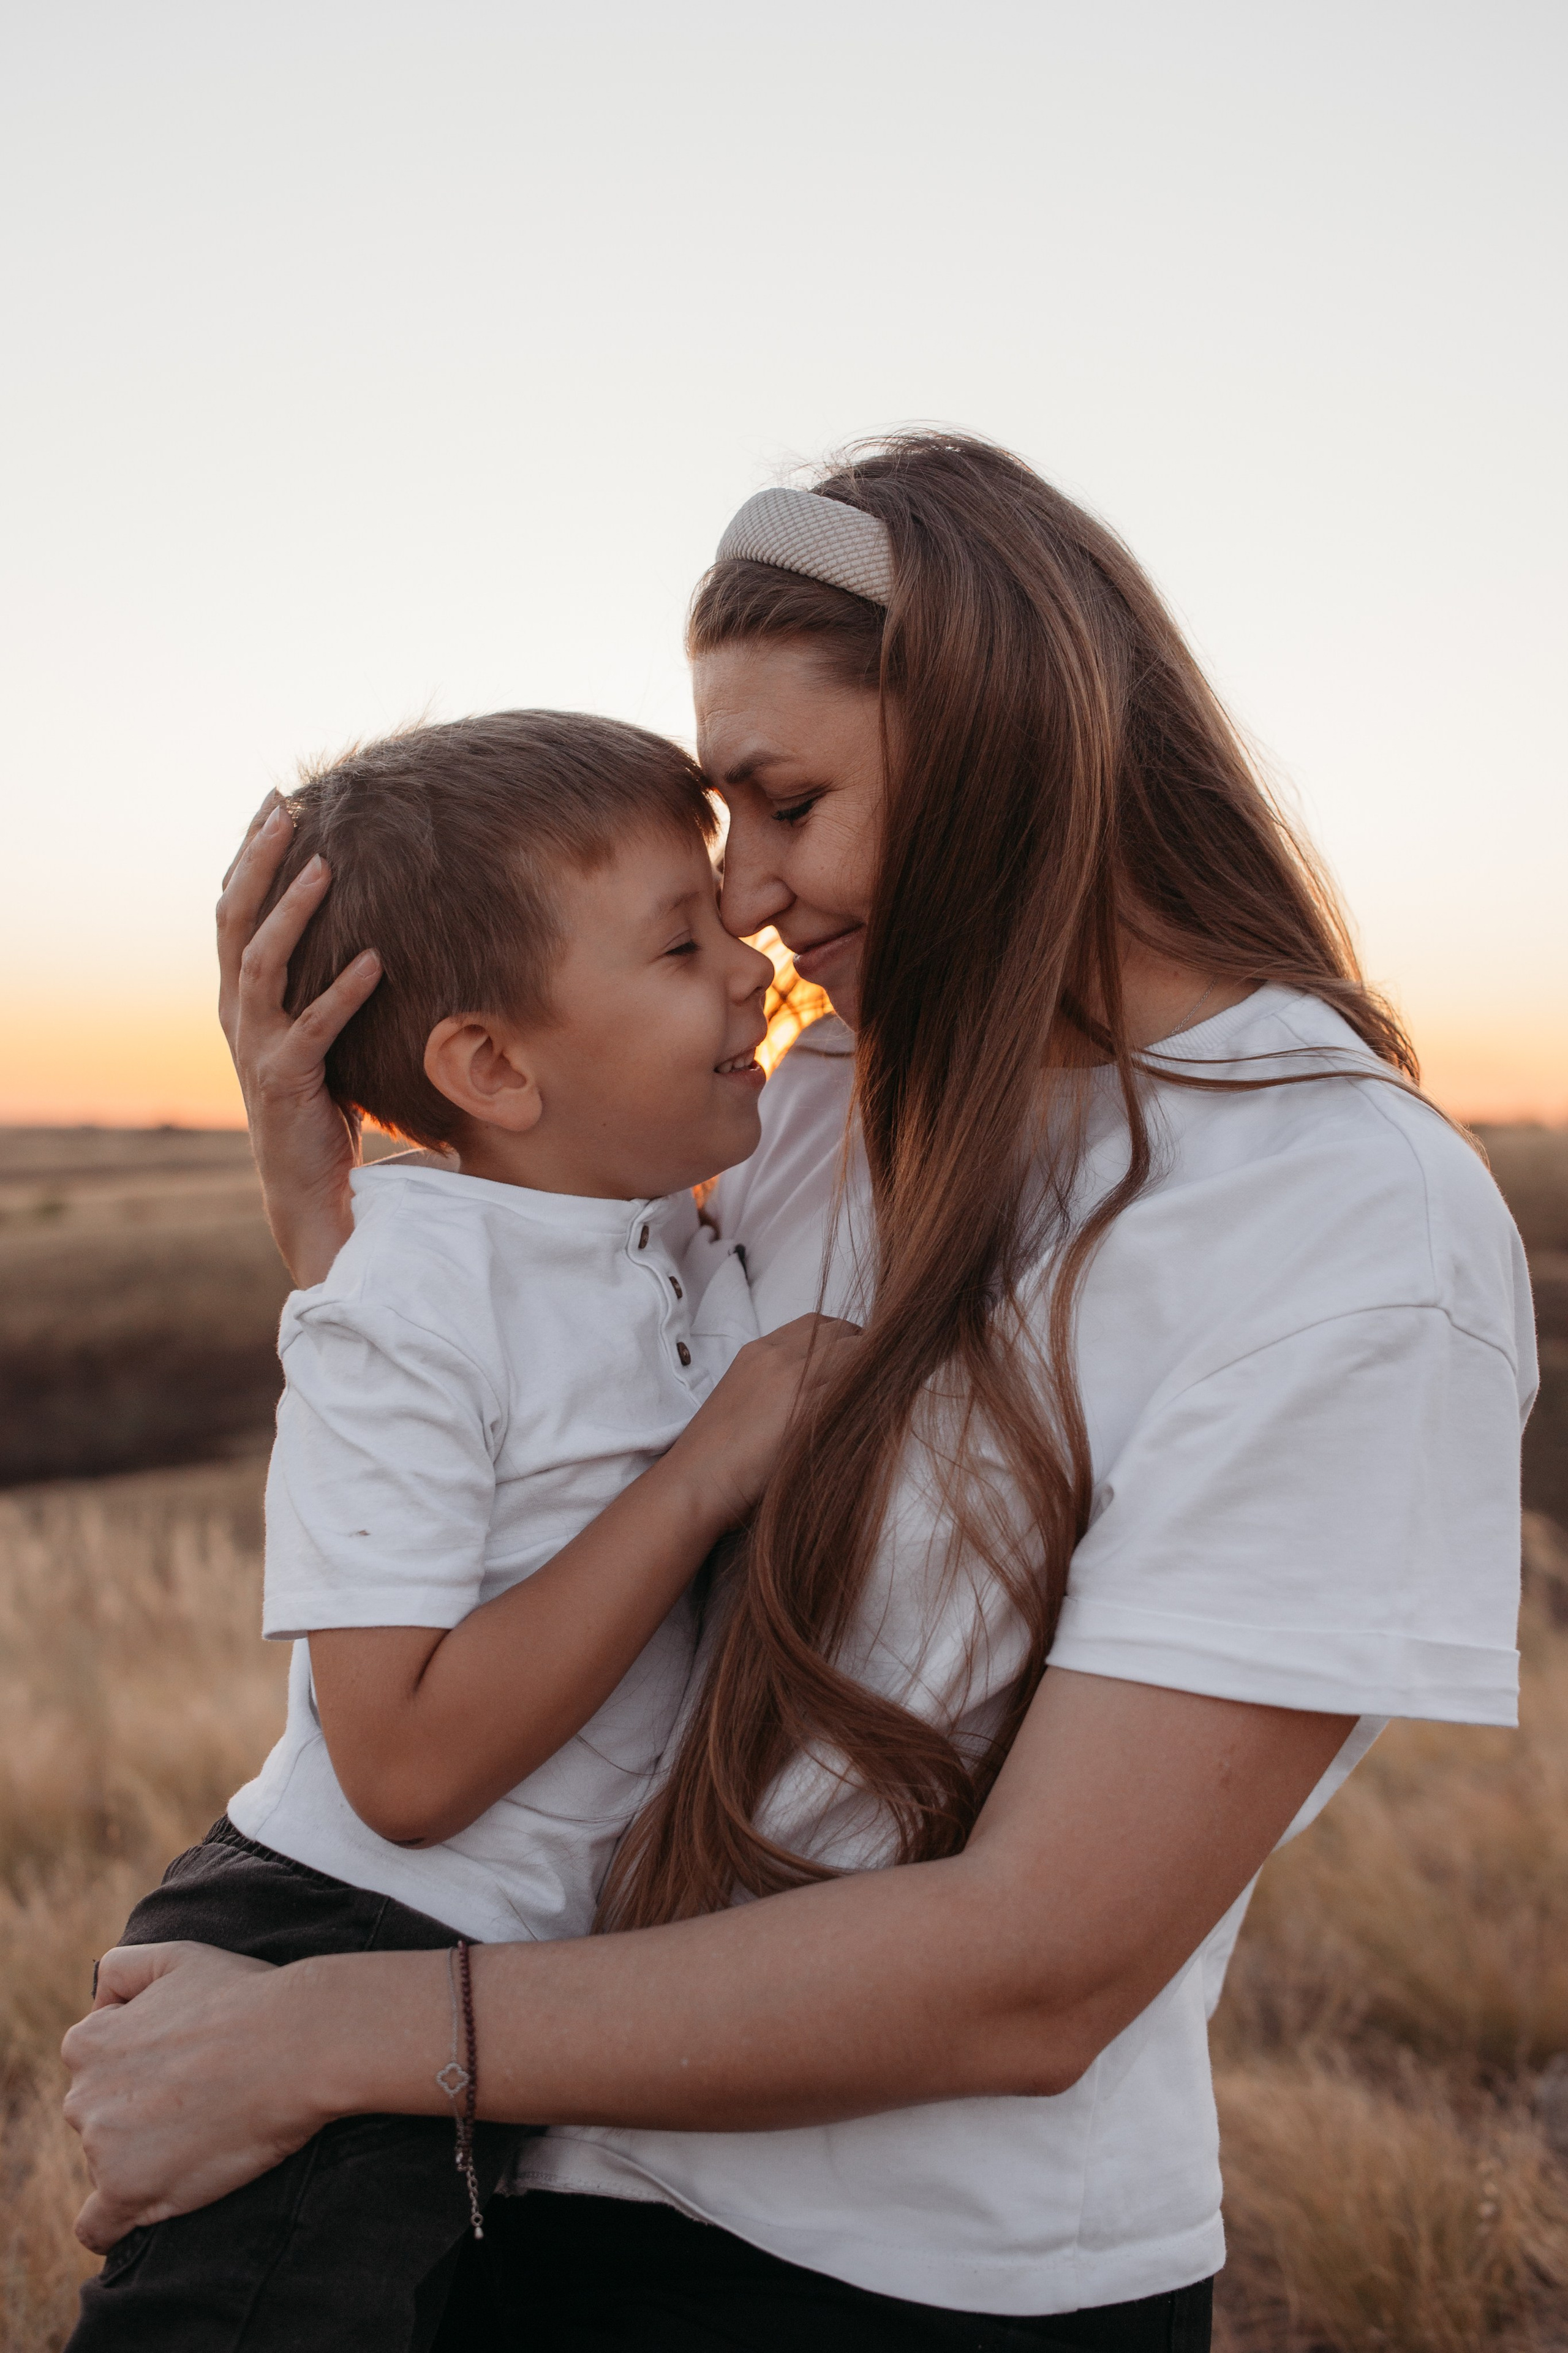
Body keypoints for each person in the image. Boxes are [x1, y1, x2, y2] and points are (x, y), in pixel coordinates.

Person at [62, 434, 1534, 2353]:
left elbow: (1040, 1964)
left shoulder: (1338, 1216)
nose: (746, 892)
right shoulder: (825, 1095)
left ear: (1009, 744)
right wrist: (348, 1218)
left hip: (901, 2286)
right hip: (522, 2174)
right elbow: (556, 1415)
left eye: (790, 800)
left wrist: (324, 2032)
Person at [66, 710, 852, 2351]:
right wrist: (707, 1470)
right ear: (494, 1066)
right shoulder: (408, 1298)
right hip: (337, 1933)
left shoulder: (668, 1241)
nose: (747, 966)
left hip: (503, 1995)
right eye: (679, 941)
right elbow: (404, 1767)